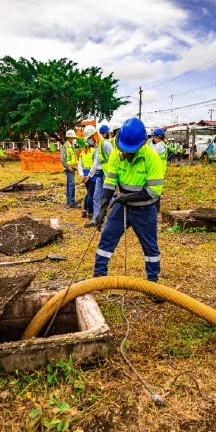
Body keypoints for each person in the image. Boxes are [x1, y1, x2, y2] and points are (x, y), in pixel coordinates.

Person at [93, 117, 165, 303]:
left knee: (150, 247)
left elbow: (153, 191)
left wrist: (125, 198)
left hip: (145, 210)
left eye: (130, 151)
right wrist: (102, 208)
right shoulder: (116, 154)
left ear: (142, 144)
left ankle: (153, 284)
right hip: (122, 207)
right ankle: (98, 277)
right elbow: (109, 183)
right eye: (124, 150)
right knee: (107, 238)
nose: (126, 154)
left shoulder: (152, 157)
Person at [84, 124, 113, 228]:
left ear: (94, 135)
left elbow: (115, 160)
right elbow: (95, 163)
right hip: (100, 176)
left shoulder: (106, 145)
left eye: (89, 138)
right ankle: (95, 220)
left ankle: (114, 220)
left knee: (110, 198)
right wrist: (89, 175)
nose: (89, 141)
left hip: (108, 176)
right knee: (96, 197)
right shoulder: (97, 147)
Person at [78, 125, 99, 219]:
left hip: (85, 174)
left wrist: (82, 175)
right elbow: (95, 165)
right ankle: (90, 212)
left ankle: (84, 210)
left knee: (88, 193)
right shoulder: (94, 151)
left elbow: (80, 165)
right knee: (91, 194)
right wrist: (90, 175)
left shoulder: (83, 152)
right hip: (92, 175)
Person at [150, 128, 168, 211]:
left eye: (154, 137)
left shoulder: (160, 146)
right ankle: (156, 206)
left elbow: (151, 154)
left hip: (158, 170)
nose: (153, 139)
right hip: (160, 169)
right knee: (155, 187)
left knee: (155, 188)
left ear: (157, 137)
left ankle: (156, 206)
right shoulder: (161, 145)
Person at [61, 129, 79, 207]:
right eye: (73, 138)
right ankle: (72, 202)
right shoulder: (65, 146)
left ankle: (69, 201)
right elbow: (62, 159)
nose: (74, 139)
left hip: (73, 168)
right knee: (72, 184)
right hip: (69, 169)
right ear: (69, 138)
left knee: (69, 184)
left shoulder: (72, 146)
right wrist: (68, 168)